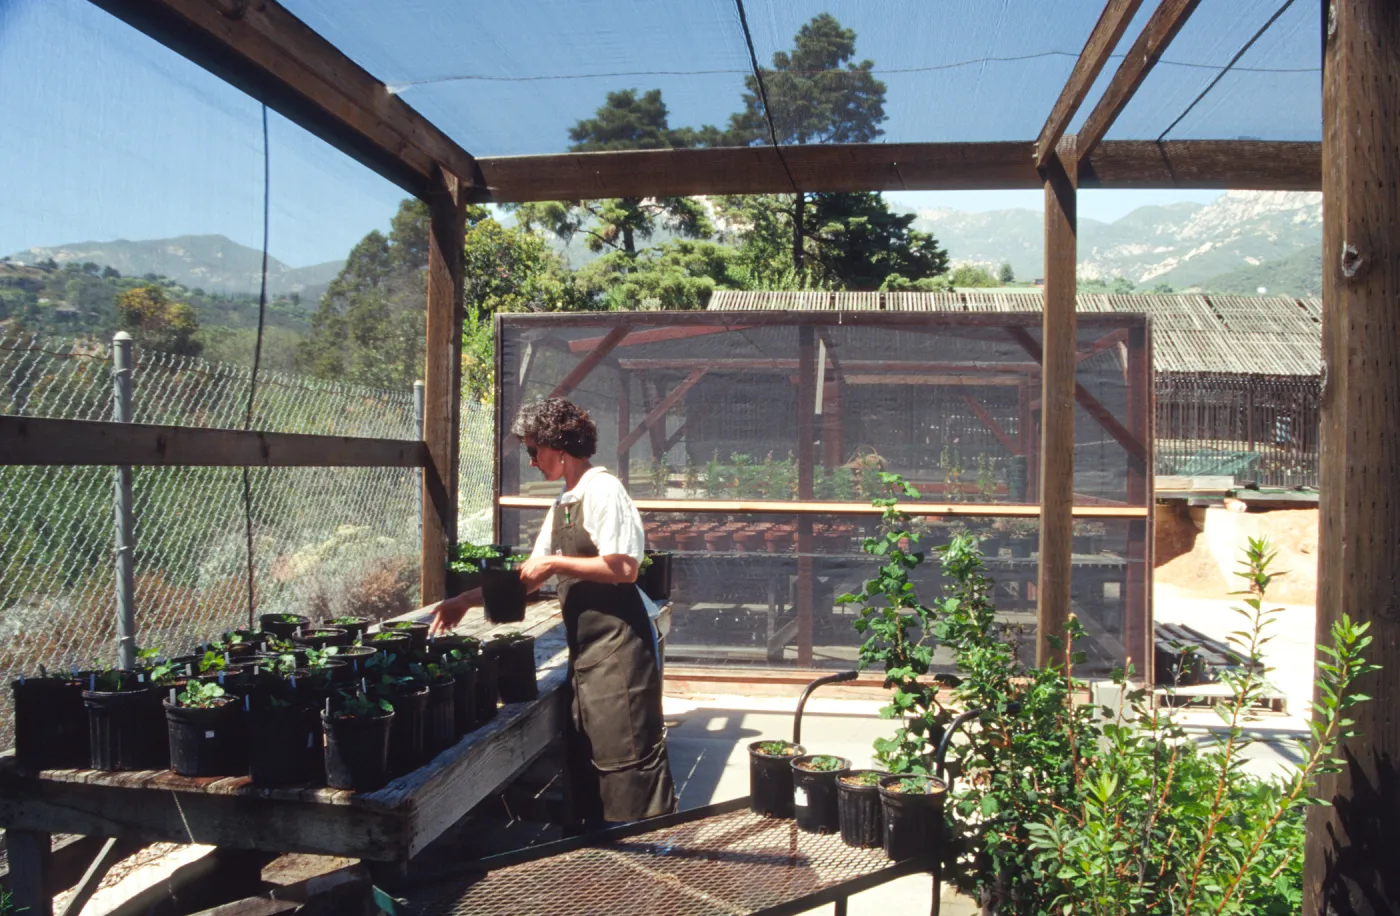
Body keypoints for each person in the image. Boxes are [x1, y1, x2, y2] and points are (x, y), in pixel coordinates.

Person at [428, 397, 676, 826]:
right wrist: (460, 602)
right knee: (593, 759)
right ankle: (603, 861)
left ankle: (648, 856)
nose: (531, 461)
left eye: (534, 451)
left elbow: (624, 568)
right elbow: (527, 578)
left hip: (622, 651)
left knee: (629, 759)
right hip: (590, 655)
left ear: (558, 446)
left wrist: (557, 563)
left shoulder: (603, 490)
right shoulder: (565, 502)